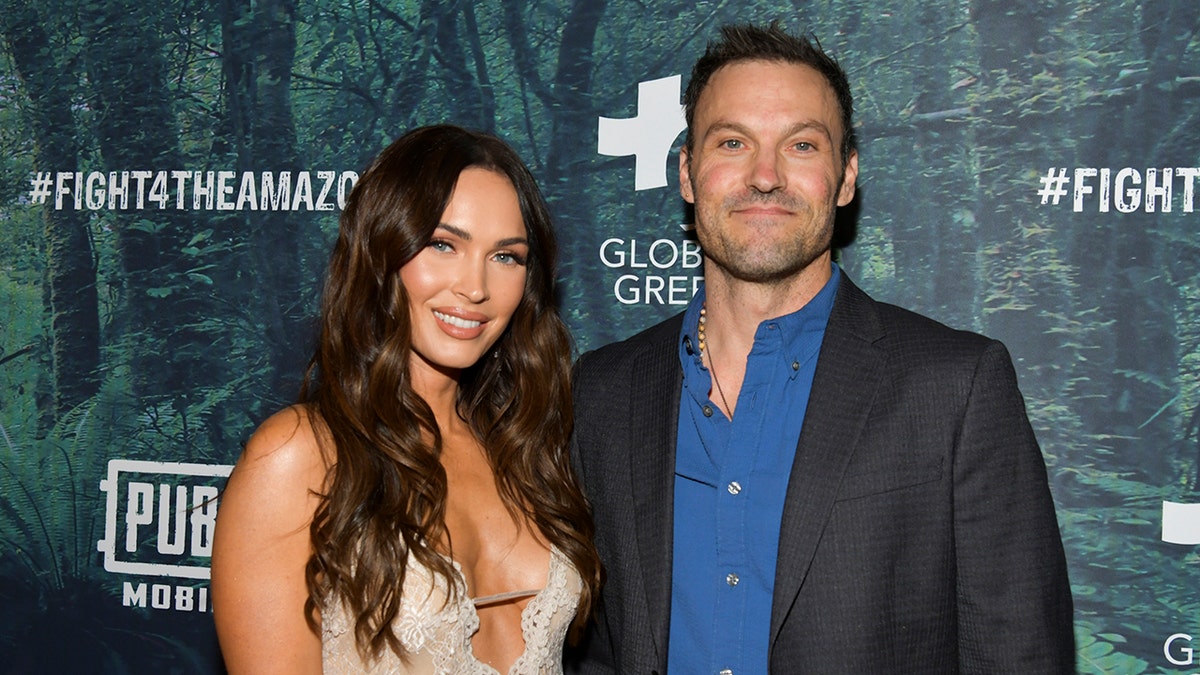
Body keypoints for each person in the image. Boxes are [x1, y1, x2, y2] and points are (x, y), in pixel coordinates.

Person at [566, 23, 1075, 674]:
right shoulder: (604, 391)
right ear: (689, 174)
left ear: (845, 177)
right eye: (732, 142)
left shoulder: (956, 386)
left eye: (801, 144)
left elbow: (1020, 657)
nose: (766, 175)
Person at [212, 124, 602, 674]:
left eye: (506, 256)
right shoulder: (299, 456)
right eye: (443, 244)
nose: (475, 287)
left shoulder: (523, 445)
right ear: (381, 252)